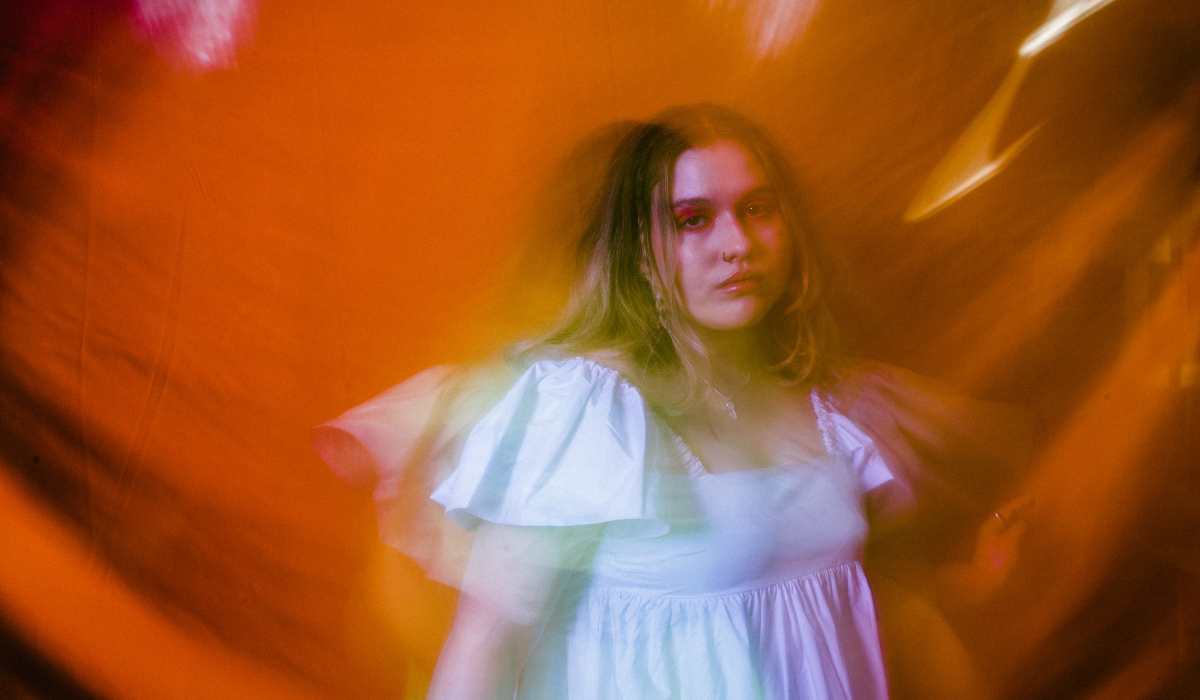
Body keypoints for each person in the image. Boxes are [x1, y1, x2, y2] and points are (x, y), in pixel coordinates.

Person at [315, 104, 985, 699]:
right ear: (639, 254)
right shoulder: (580, 414)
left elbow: (863, 612)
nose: (737, 245)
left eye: (757, 208)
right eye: (693, 219)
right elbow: (485, 652)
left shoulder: (834, 403)